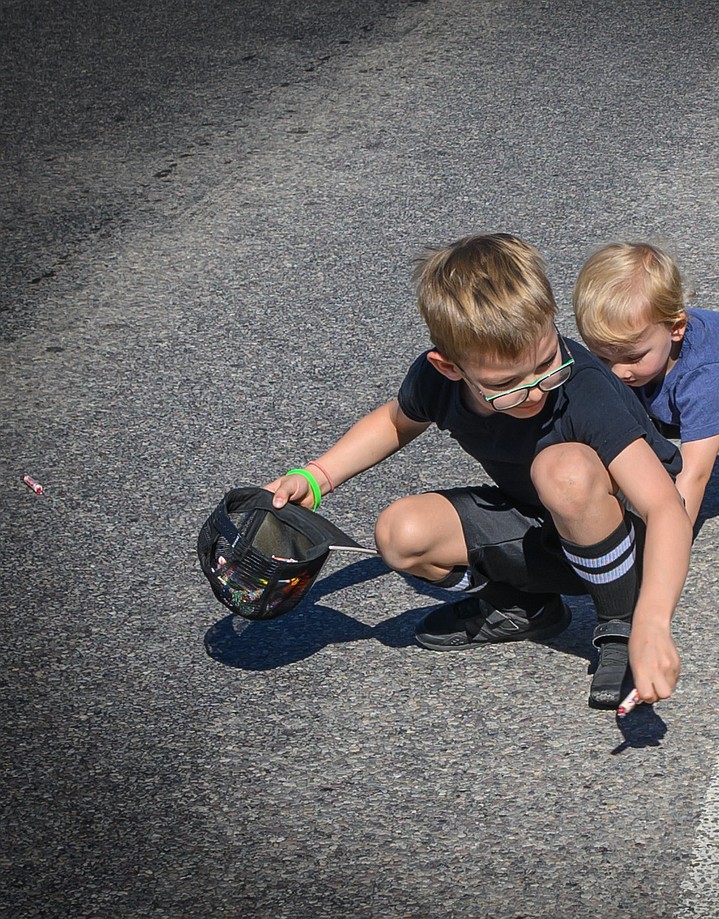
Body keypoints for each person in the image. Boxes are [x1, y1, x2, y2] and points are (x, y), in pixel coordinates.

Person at [264, 233, 691, 709]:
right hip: (539, 520)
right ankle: (522, 606)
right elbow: (395, 421)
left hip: (626, 534)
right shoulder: (437, 383)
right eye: (505, 384)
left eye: (546, 364)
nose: (534, 391)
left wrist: (654, 623)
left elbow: (665, 508)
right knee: (399, 534)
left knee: (563, 469)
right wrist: (317, 477)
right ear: (449, 368)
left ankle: (620, 620)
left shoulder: (584, 388)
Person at [573, 241, 719, 539]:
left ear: (676, 328)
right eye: (602, 356)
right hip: (681, 397)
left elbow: (695, 475)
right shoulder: (640, 354)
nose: (617, 370)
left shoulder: (708, 372)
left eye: (632, 357)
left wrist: (665, 550)